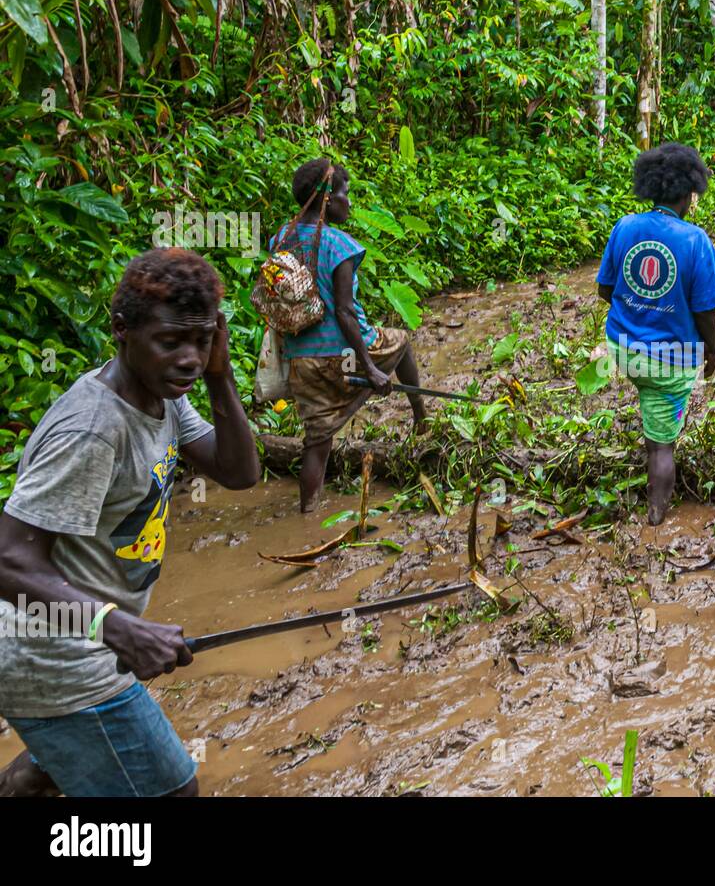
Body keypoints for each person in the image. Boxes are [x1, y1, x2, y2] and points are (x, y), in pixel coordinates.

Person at [0, 249, 260, 797]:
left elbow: (238, 472)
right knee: (172, 792)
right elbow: (9, 559)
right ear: (121, 330)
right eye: (171, 342)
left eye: (201, 342)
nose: (188, 358)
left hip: (84, 641)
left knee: (52, 770)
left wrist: (221, 374)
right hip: (56, 657)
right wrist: (117, 627)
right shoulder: (93, 430)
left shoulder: (160, 395)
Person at [276, 158, 429, 513]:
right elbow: (344, 311)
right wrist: (370, 368)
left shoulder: (280, 240)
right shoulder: (340, 245)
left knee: (317, 442)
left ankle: (307, 517)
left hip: (302, 359)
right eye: (346, 194)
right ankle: (421, 417)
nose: (349, 202)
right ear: (328, 199)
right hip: (343, 353)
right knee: (402, 341)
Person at [596, 143, 715, 525]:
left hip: (622, 348)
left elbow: (606, 289)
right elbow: (706, 310)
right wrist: (713, 354)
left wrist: (639, 311)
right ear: (690, 194)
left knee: (652, 403)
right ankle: (655, 520)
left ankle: (653, 424)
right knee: (662, 447)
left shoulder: (625, 226)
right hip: (670, 361)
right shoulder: (694, 240)